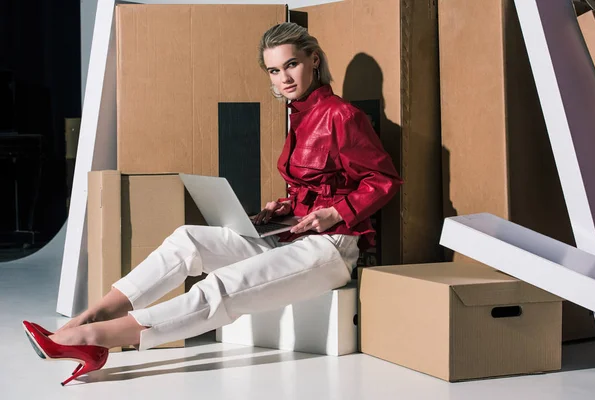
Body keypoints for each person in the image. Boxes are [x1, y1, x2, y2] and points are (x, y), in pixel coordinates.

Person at [22, 22, 402, 386]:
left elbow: (384, 180)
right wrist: (287, 206)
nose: (284, 78)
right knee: (187, 239)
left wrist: (333, 212)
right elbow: (321, 182)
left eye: (291, 64)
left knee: (221, 284)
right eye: (273, 70)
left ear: (313, 60)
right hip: (289, 238)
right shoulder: (299, 117)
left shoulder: (342, 115)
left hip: (330, 250)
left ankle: (96, 339)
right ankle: (92, 314)